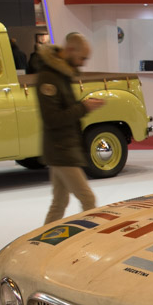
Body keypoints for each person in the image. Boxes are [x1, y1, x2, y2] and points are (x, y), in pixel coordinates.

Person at [36, 32, 105, 224]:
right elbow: (52, 119)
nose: (83, 63)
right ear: (71, 50)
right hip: (61, 151)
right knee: (87, 199)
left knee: (59, 202)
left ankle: (44, 242)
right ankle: (92, 239)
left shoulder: (60, 75)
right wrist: (84, 108)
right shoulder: (49, 77)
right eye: (82, 58)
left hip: (62, 149)